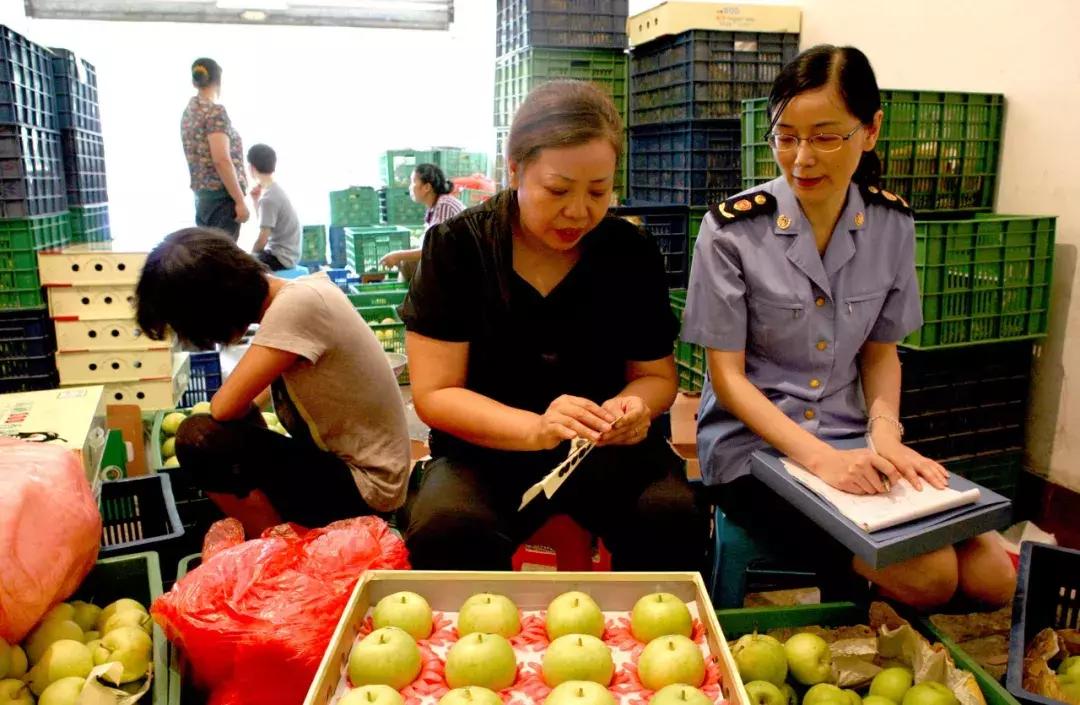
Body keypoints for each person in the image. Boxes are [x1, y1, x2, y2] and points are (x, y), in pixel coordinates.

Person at [683, 45, 1016, 609]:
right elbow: (728, 380)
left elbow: (882, 353)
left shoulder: (891, 223)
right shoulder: (731, 232)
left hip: (851, 438)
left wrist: (885, 432)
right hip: (754, 451)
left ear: (870, 130)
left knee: (992, 576)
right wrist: (822, 461)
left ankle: (892, 639)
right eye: (786, 137)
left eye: (826, 136)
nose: (803, 158)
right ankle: (870, 627)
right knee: (930, 575)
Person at [400, 80, 706, 571]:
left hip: (603, 452)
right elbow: (435, 394)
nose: (579, 211)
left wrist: (633, 408)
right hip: (487, 451)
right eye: (558, 190)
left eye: (599, 191)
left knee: (671, 515)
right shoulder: (458, 248)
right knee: (447, 528)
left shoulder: (629, 253)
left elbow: (657, 377)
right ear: (515, 168)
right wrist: (535, 428)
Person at [135, 228, 411, 534]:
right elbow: (248, 400)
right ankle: (275, 536)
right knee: (232, 429)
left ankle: (273, 547)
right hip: (356, 472)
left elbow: (224, 407)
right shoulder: (302, 291)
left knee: (199, 438)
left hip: (369, 488)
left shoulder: (296, 307)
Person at [181, 58, 248, 240]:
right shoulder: (215, 112)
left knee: (211, 258)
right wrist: (240, 201)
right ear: (219, 81)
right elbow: (221, 160)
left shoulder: (189, 114)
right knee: (224, 261)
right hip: (222, 199)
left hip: (203, 199)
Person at [379, 163, 465, 281]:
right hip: (451, 263)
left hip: (462, 268)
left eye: (413, 182)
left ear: (426, 187)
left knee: (407, 263)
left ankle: (406, 298)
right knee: (408, 259)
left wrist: (398, 255)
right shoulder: (435, 206)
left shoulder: (444, 205)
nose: (410, 187)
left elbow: (434, 250)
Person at [247, 143, 301, 271]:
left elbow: (262, 238)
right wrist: (255, 201)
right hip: (290, 254)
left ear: (251, 168)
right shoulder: (275, 191)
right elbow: (266, 222)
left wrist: (249, 257)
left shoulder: (269, 198)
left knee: (240, 266)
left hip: (281, 258)